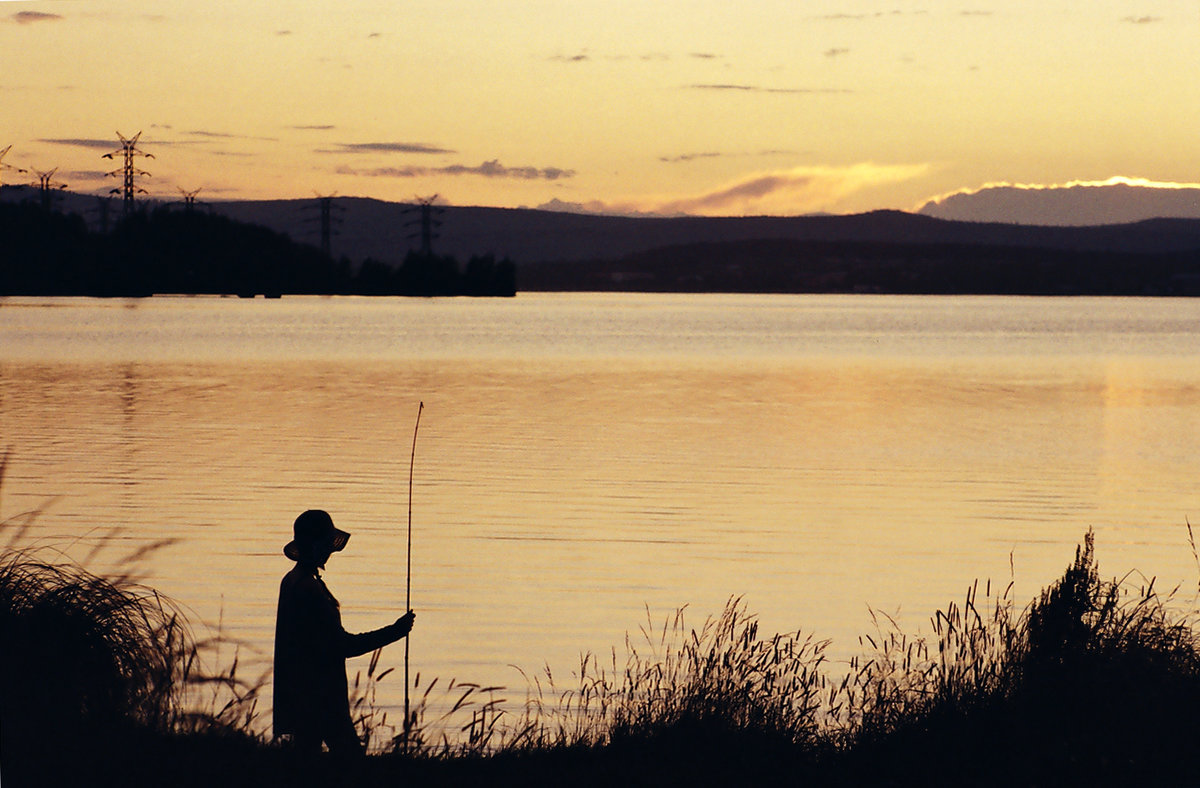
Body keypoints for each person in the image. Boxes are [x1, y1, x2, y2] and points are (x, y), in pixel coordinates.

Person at [273, 509, 415, 757]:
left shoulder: (292, 580)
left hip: (299, 692)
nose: (330, 551)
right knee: (351, 763)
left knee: (305, 765)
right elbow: (342, 646)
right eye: (327, 544)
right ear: (317, 546)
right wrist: (394, 632)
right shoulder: (310, 589)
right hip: (321, 695)